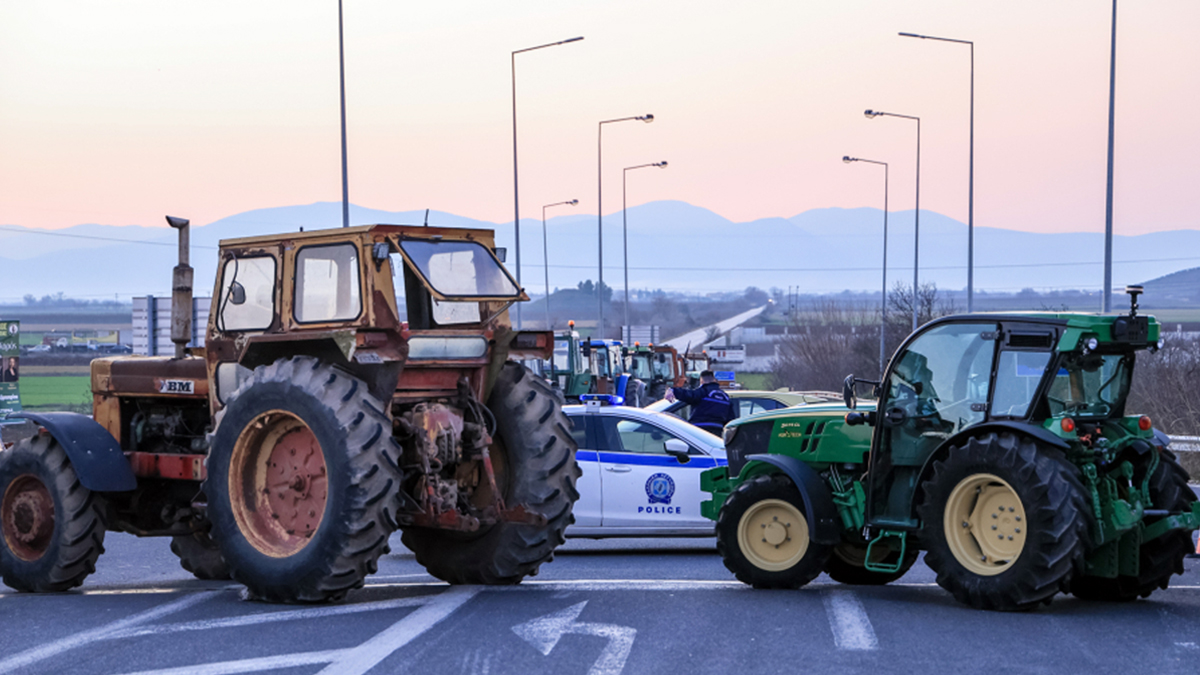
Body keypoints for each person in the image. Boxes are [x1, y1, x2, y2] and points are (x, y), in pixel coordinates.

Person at [665, 370, 734, 436]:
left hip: (700, 430)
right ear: (714, 380)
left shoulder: (702, 392)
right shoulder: (726, 397)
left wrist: (673, 391)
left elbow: (689, 395)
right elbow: (730, 420)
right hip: (717, 430)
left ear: (701, 381)